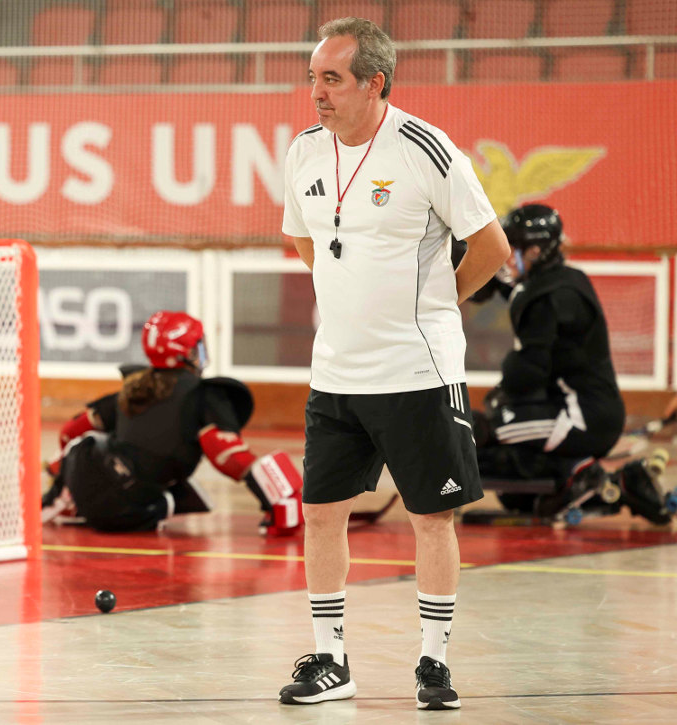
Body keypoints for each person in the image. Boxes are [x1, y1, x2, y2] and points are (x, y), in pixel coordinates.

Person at [278, 17, 511, 711]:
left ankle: (433, 664)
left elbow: (492, 247)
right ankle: (331, 659)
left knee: (430, 518)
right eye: (313, 77)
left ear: (374, 82)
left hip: (418, 371)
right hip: (336, 375)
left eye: (331, 78)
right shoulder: (303, 152)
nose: (315, 92)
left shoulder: (425, 149)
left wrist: (440, 304)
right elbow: (304, 243)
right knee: (320, 514)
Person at [466, 204, 673, 523]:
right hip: (590, 411)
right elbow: (530, 303)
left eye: (514, 249)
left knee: (481, 428)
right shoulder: (564, 282)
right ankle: (610, 485)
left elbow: (528, 371)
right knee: (515, 495)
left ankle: (578, 472)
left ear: (535, 251)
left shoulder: (549, 297)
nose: (507, 258)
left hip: (581, 418)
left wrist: (503, 391)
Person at [40, 310, 303, 535]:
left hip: (93, 503)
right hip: (137, 510)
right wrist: (281, 506)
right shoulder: (204, 394)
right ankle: (167, 500)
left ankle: (63, 496)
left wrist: (60, 476)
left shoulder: (132, 387)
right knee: (182, 489)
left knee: (88, 444)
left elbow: (70, 432)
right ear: (188, 352)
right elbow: (229, 455)